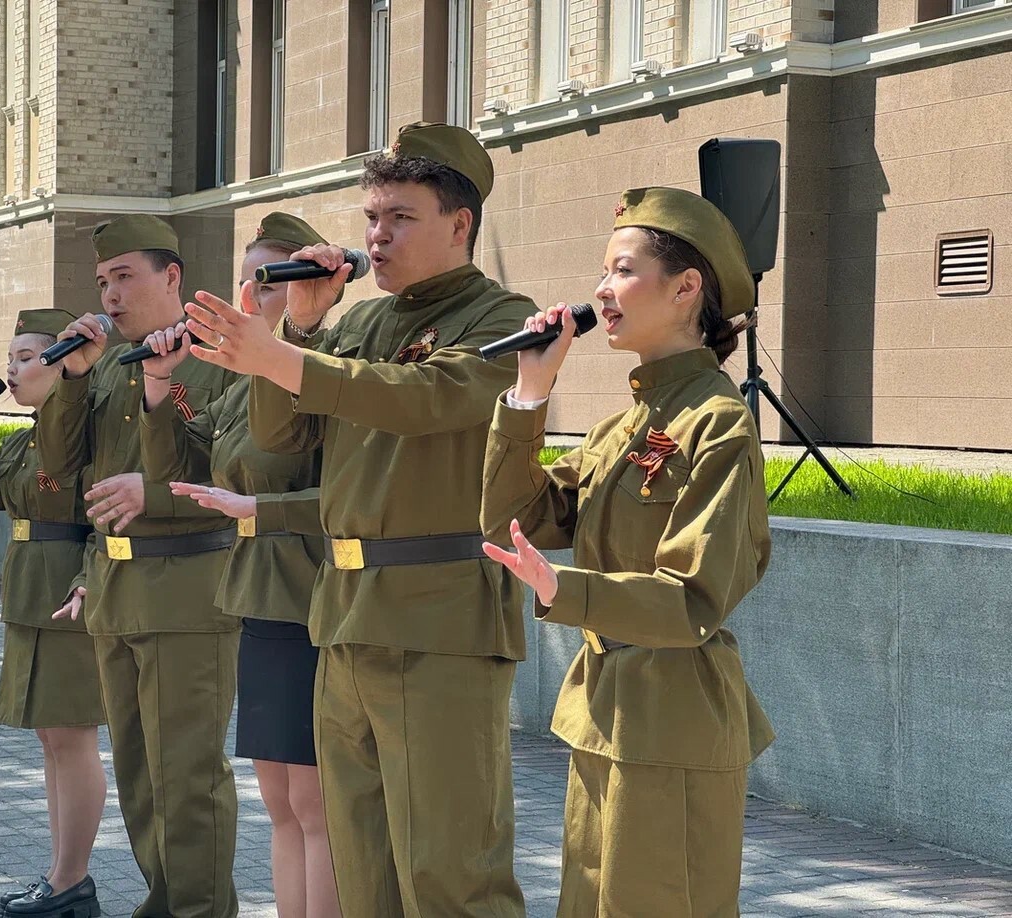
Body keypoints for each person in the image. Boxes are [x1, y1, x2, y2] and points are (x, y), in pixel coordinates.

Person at [178, 122, 533, 917]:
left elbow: (426, 400)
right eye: (372, 217)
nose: (376, 235)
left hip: (439, 621)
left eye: (400, 217)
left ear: (459, 223)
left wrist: (284, 357)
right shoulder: (363, 324)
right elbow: (280, 437)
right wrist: (296, 329)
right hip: (343, 618)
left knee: (450, 868)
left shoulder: (501, 315)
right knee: (362, 863)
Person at [479, 186, 776, 917]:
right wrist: (530, 390)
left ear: (684, 290)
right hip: (605, 715)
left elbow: (694, 598)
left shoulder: (718, 424)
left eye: (620, 271)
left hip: (672, 721)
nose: (600, 293)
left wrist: (565, 590)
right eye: (602, 275)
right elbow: (517, 517)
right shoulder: (625, 425)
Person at [37, 214, 240, 918]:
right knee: (141, 780)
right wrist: (70, 381)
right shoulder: (106, 368)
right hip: (117, 590)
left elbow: (230, 474)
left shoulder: (214, 354)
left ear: (172, 276)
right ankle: (166, 904)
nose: (110, 294)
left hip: (187, 593)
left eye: (124, 275)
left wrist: (151, 493)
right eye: (102, 281)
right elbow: (58, 472)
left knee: (187, 782)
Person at [137, 213, 338, 918]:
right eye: (248, 278)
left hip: (317, 597)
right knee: (281, 801)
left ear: (313, 286)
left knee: (317, 804)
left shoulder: (329, 370)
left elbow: (359, 495)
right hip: (259, 597)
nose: (254, 293)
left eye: (273, 277)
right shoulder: (236, 379)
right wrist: (161, 385)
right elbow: (181, 466)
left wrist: (261, 508)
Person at [0, 308, 107, 918]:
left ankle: (72, 881)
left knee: (72, 736)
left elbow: (102, 516)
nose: (9, 370)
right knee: (51, 739)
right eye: (7, 358)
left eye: (23, 357)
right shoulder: (22, 439)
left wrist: (92, 578)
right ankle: (60, 875)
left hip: (68, 593)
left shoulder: (85, 435)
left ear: (60, 362)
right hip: (27, 593)